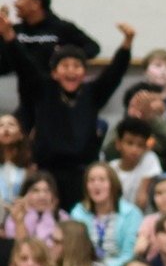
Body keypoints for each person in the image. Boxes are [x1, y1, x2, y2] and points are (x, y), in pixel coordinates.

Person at [0, 13, 133, 208]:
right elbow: (24, 66)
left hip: (82, 172)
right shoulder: (43, 90)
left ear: (84, 73)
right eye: (65, 66)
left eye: (77, 66)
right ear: (54, 73)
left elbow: (114, 74)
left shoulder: (92, 94)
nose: (71, 71)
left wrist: (127, 43)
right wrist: (9, 36)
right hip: (47, 172)